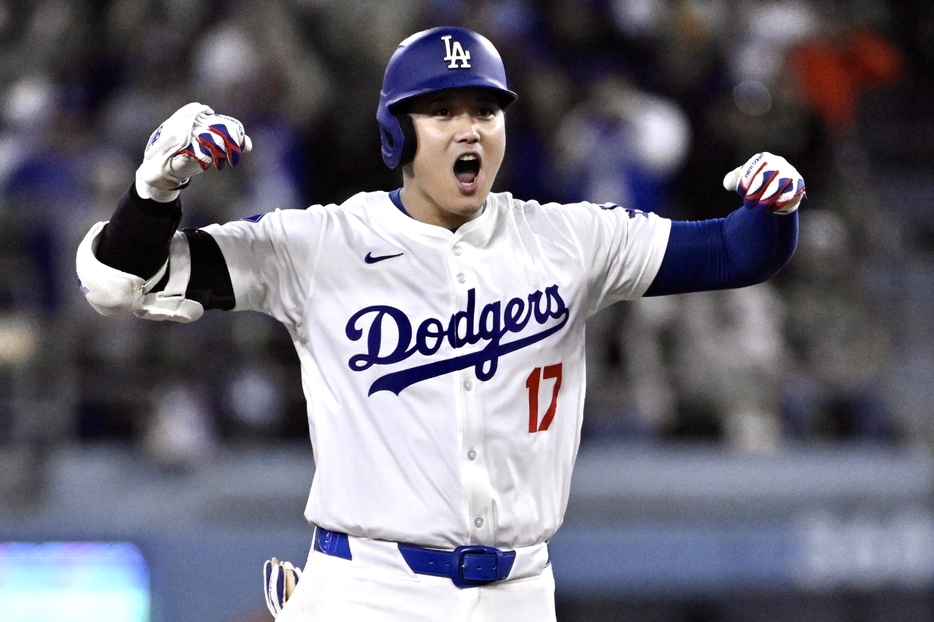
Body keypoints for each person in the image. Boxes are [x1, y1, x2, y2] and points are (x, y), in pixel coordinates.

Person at [75, 26, 805, 622]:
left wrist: (774, 209)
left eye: (485, 111)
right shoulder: (322, 243)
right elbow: (118, 282)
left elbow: (737, 251)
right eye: (443, 111)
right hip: (367, 590)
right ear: (398, 135)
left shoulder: (568, 239)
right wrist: (154, 189)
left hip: (520, 592)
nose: (470, 129)